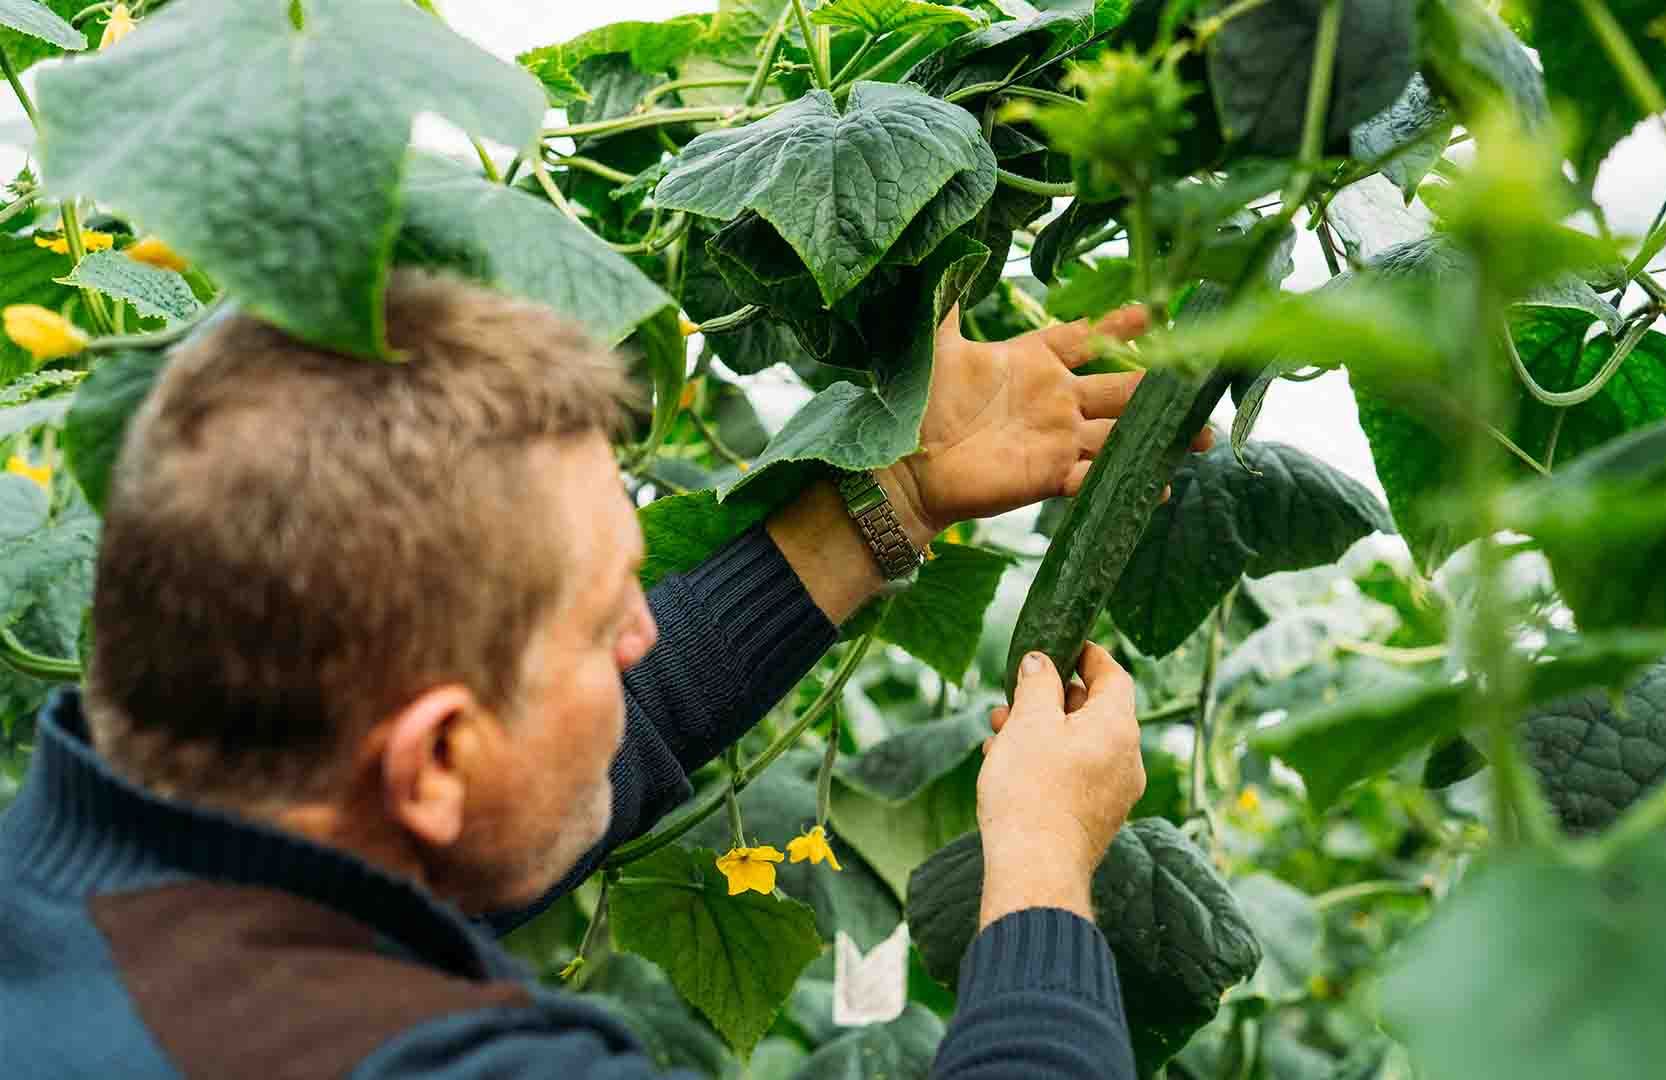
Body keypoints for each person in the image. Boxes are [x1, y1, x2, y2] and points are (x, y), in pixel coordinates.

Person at [0, 269, 1192, 1076]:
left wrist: (900, 497)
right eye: (597, 622)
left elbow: (611, 725)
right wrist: (1040, 858)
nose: (641, 637)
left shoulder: (80, 882)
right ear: (437, 760)